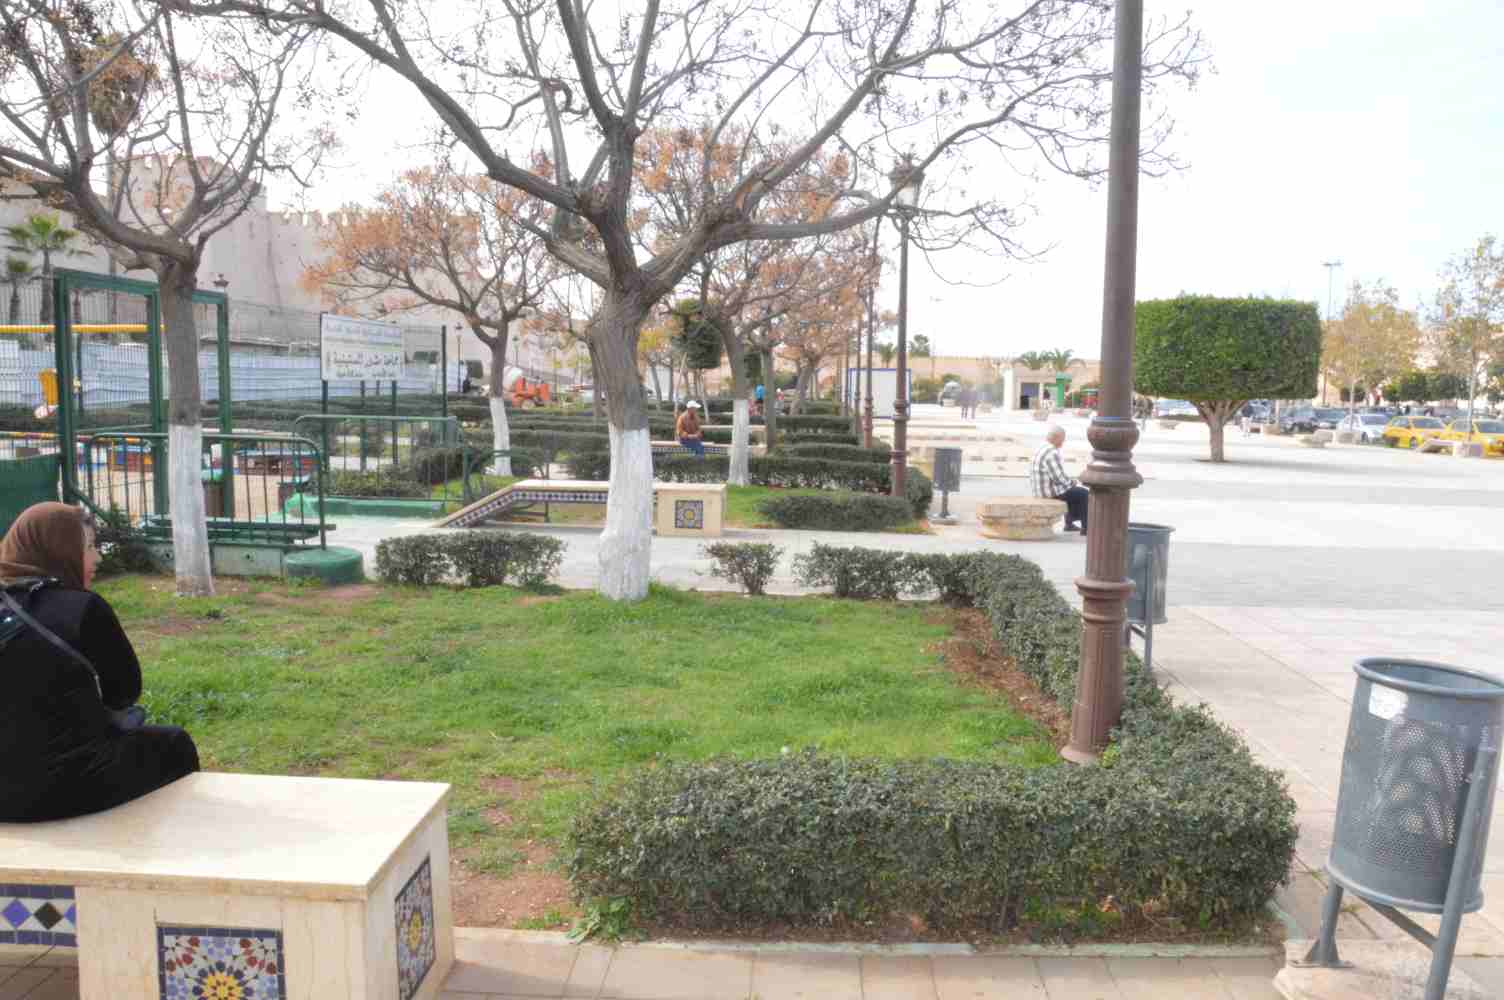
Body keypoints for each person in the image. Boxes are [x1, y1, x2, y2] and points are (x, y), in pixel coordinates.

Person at [0, 503, 200, 822]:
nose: (98, 558)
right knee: (174, 744)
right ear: (60, 550)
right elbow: (124, 693)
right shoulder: (83, 609)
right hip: (62, 787)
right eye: (90, 546)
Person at [1030, 425, 1088, 535]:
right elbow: (1059, 478)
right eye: (1063, 439)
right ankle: (1086, 528)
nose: (1063, 442)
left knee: (1072, 491)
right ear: (1057, 438)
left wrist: (1070, 484)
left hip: (1039, 492)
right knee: (1084, 494)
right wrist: (1072, 482)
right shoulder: (1051, 452)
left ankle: (1069, 524)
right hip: (1047, 494)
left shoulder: (1041, 448)